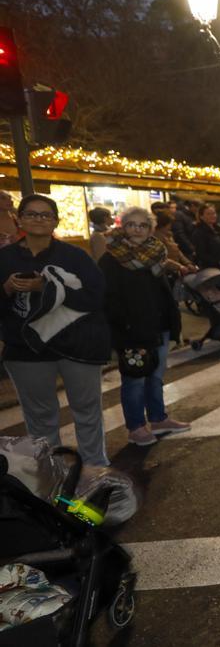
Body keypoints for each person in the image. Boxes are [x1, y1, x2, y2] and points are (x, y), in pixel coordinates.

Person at [0, 195, 111, 474]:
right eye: (32, 214)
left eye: (45, 215)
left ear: (55, 221)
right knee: (40, 418)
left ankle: (94, 469)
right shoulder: (5, 258)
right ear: (20, 219)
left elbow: (95, 297)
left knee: (87, 411)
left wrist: (45, 289)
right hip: (26, 348)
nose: (38, 219)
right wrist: (8, 290)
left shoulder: (75, 256)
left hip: (77, 343)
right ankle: (52, 475)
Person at [99, 207, 190, 446]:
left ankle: (158, 419)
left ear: (150, 229)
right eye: (131, 224)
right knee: (134, 379)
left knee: (156, 377)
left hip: (158, 325)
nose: (137, 229)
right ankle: (136, 427)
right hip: (132, 330)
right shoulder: (112, 258)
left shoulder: (155, 253)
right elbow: (108, 297)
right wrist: (124, 326)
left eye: (142, 225)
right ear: (123, 227)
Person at [191, 204, 220, 273]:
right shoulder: (199, 233)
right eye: (208, 214)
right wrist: (218, 262)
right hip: (213, 268)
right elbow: (201, 253)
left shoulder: (219, 229)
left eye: (214, 213)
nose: (213, 216)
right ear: (201, 216)